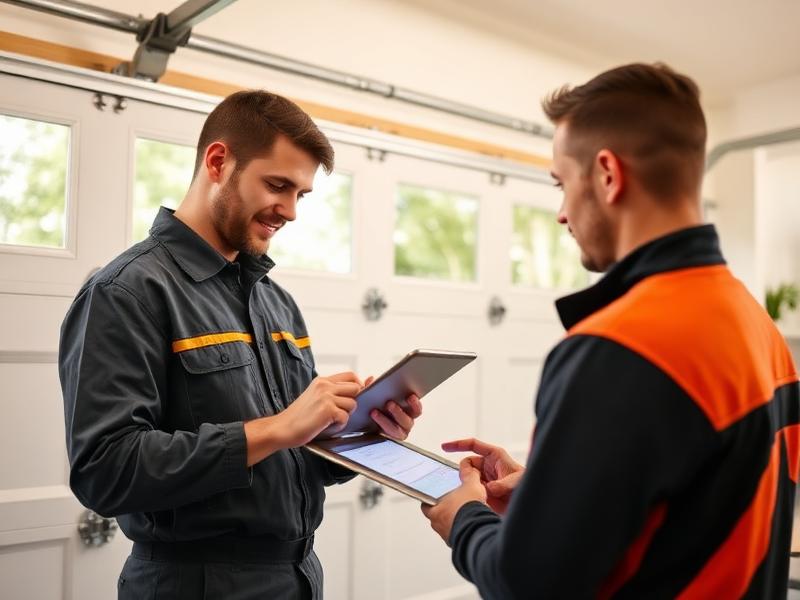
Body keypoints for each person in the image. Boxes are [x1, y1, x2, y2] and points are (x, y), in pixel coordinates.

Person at [421, 63, 800, 598]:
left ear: (606, 174)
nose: (561, 213)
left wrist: (464, 519)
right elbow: (705, 502)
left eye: (561, 183)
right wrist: (554, 495)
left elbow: (529, 585)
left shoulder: (618, 348)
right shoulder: (754, 322)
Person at [59, 90, 422, 599]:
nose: (291, 211)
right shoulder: (127, 292)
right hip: (197, 583)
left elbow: (293, 456)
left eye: (301, 194)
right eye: (277, 185)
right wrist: (276, 428)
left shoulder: (278, 304)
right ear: (218, 161)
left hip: (296, 577)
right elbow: (106, 471)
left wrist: (363, 433)